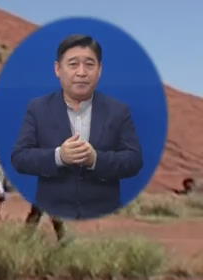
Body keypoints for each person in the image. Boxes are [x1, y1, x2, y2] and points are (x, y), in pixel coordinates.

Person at [10, 34, 143, 220]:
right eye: (73, 64)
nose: (81, 72)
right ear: (58, 69)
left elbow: (134, 160)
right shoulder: (38, 109)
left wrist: (96, 159)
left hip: (104, 219)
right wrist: (59, 156)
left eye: (89, 64)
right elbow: (20, 158)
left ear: (100, 70)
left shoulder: (118, 112)